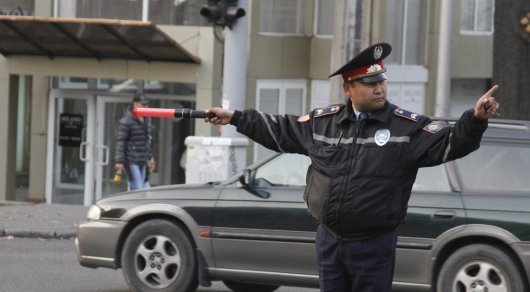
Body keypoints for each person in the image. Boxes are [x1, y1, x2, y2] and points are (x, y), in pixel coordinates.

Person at [204, 42, 499, 292]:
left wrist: (475, 119)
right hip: (330, 240)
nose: (379, 89)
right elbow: (279, 129)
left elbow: (452, 143)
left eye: (381, 82)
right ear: (348, 88)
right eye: (370, 84)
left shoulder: (405, 128)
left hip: (373, 243)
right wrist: (235, 118)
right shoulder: (324, 123)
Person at [115, 93, 156, 190]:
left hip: (143, 159)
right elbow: (121, 142)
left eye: (147, 105)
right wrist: (119, 161)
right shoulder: (126, 121)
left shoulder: (147, 120)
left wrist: (150, 158)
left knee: (142, 185)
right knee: (137, 186)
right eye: (143, 105)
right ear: (135, 104)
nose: (146, 107)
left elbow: (148, 141)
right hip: (131, 159)